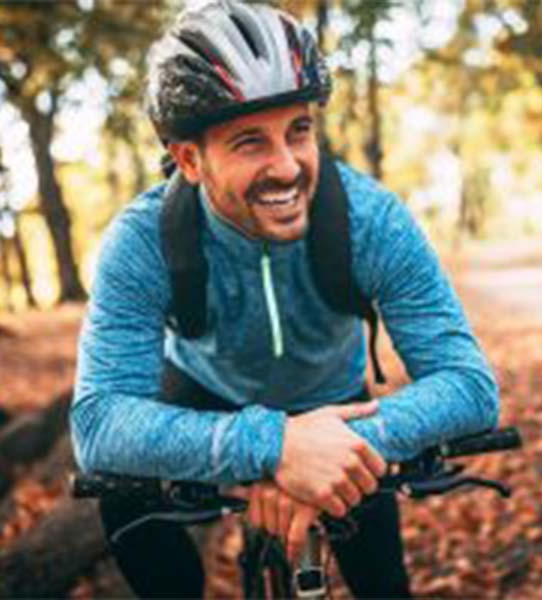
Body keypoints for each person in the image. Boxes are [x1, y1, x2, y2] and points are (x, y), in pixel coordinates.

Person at [69, 1, 500, 597]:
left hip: (340, 410)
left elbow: (470, 385)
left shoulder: (371, 219)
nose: (287, 166)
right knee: (125, 507)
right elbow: (98, 424)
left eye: (299, 131)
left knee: (384, 584)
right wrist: (273, 448)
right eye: (250, 143)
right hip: (204, 398)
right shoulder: (142, 241)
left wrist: (326, 453)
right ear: (189, 159)